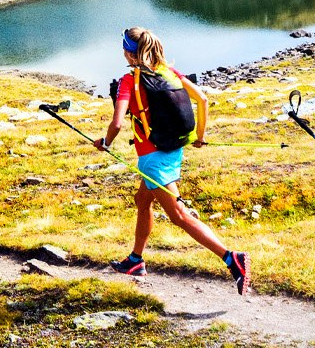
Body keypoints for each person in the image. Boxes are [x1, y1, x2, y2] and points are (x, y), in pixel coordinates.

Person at [94, 25, 251, 294]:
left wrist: (105, 143)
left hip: (152, 158)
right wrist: (199, 136)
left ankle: (231, 258)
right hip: (173, 149)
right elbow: (202, 99)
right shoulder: (169, 72)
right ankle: (135, 260)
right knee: (142, 201)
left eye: (122, 47)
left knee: (179, 215)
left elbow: (117, 123)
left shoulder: (129, 81)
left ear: (129, 52)